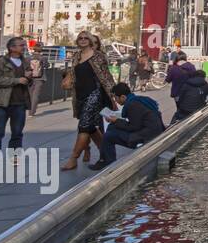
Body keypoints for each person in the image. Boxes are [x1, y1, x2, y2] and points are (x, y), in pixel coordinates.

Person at [63, 31, 117, 170]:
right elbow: (73, 74)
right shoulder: (76, 56)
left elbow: (106, 75)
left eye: (85, 38)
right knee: (91, 128)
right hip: (80, 95)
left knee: (84, 126)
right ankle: (106, 154)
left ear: (91, 40)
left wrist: (114, 94)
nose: (82, 40)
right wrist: (68, 80)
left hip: (95, 94)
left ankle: (73, 158)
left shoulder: (98, 56)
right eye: (80, 38)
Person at [88, 82, 166, 171]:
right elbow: (137, 120)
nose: (115, 100)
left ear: (123, 97)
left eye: (115, 97)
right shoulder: (137, 100)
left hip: (146, 137)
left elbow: (133, 127)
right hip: (152, 132)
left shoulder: (132, 105)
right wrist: (116, 121)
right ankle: (105, 159)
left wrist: (116, 120)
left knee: (108, 136)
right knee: (112, 127)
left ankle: (107, 163)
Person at [0, 36, 33, 153]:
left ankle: (14, 155)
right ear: (12, 48)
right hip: (3, 103)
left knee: (17, 131)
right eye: (21, 45)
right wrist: (16, 80)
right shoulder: (1, 62)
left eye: (24, 45)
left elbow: (28, 81)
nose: (24, 47)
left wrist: (29, 77)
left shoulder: (26, 61)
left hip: (20, 102)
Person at [26, 43, 47, 117]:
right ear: (41, 49)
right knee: (36, 96)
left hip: (30, 78)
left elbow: (26, 67)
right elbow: (46, 65)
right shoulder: (43, 58)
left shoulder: (28, 57)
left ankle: (29, 111)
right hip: (40, 78)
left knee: (30, 95)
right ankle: (32, 112)